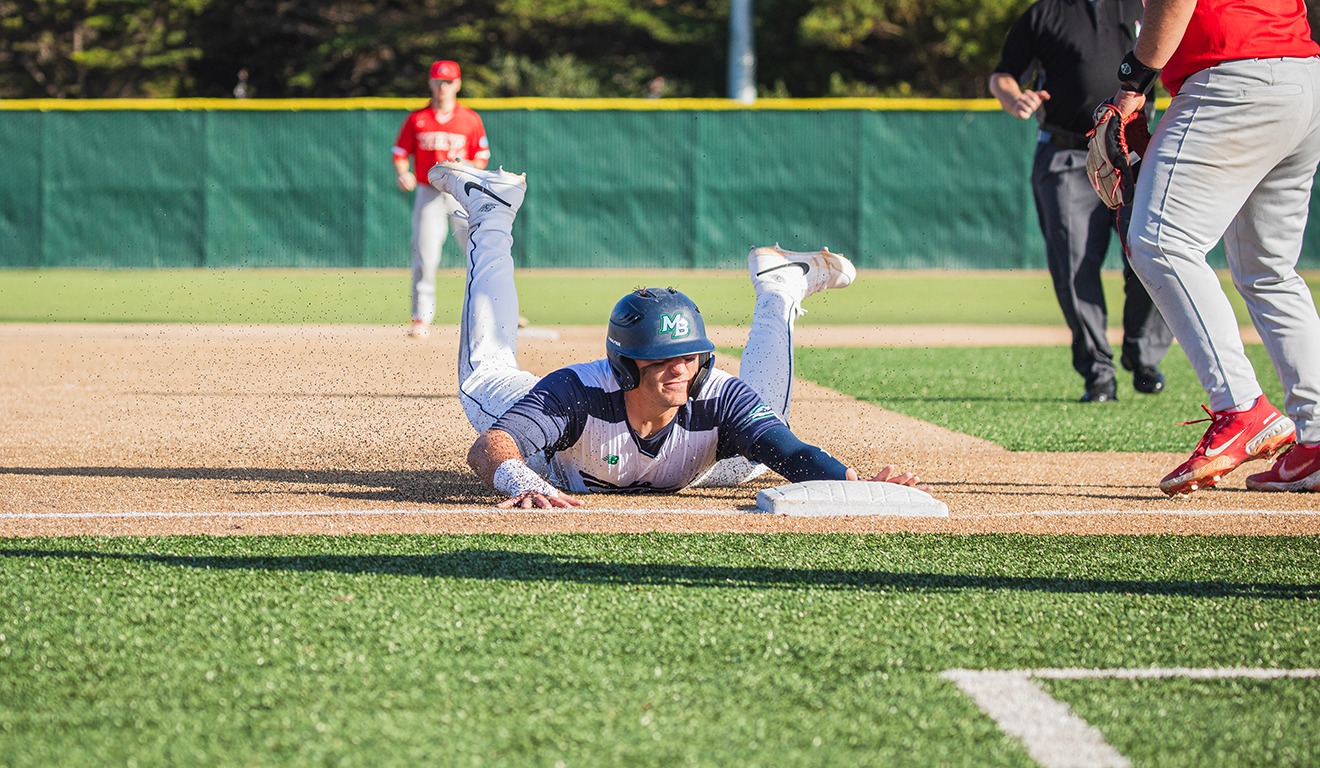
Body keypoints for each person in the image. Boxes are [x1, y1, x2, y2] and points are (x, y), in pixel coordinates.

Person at [424, 160, 931, 508]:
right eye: (662, 359)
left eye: (690, 356)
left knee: (757, 451)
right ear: (626, 366)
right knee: (484, 374)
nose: (680, 370)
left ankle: (780, 289)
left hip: (685, 461)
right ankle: (492, 213)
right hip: (554, 450)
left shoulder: (716, 397)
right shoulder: (572, 395)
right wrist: (520, 478)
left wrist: (850, 481)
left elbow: (790, 451)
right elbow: (492, 444)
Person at [1104, 0, 1320, 494]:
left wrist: (1131, 82)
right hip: (1302, 76)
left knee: (1158, 239)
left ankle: (1240, 406)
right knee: (1270, 272)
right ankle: (1317, 439)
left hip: (1233, 77)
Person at [989, 0, 1173, 403]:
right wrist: (1013, 97)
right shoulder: (1046, 12)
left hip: (1133, 148)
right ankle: (1098, 373)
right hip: (1066, 154)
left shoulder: (1146, 5)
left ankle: (1142, 352)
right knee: (1073, 268)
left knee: (1153, 251)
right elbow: (1002, 75)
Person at [392, 60, 491, 339]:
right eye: (438, 81)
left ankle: (492, 311)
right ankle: (421, 318)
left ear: (458, 84)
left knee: (479, 251)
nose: (442, 86)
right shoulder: (417, 118)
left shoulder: (470, 119)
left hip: (462, 191)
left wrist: (467, 165)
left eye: (448, 81)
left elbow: (482, 156)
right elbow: (400, 152)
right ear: (430, 83)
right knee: (424, 254)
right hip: (429, 191)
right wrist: (403, 172)